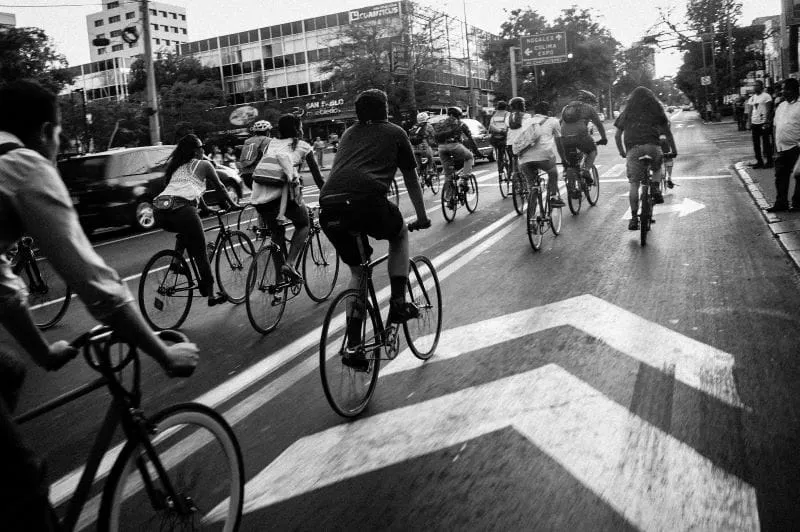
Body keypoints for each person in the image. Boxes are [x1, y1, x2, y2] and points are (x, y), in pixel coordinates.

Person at [0, 79, 199, 532]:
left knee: (9, 371)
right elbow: (95, 283)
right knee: (21, 485)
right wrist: (161, 352)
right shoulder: (22, 166)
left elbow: (3, 290)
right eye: (59, 134)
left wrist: (42, 353)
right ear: (45, 131)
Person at [318, 89, 430, 369]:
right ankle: (399, 302)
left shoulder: (347, 134)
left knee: (358, 271)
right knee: (400, 232)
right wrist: (421, 215)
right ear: (385, 111)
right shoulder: (395, 132)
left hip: (329, 205)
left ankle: (354, 345)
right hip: (366, 200)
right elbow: (411, 178)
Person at [155, 134, 239, 306]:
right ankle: (210, 295)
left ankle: (177, 263)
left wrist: (206, 208)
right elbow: (221, 187)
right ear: (195, 150)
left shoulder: (176, 168)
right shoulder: (204, 164)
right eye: (201, 147)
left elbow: (189, 189)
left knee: (186, 233)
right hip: (183, 211)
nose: (203, 150)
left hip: (160, 212)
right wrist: (233, 205)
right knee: (201, 253)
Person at [251, 114, 325, 281]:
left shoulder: (271, 143)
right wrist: (327, 194)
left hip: (258, 195)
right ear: (298, 128)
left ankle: (279, 280)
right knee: (304, 224)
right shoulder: (304, 146)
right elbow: (319, 178)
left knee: (277, 233)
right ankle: (290, 263)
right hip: (279, 195)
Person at [614, 86, 678, 230]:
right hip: (652, 146)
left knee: (634, 184)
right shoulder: (656, 110)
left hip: (633, 149)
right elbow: (667, 133)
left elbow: (617, 135)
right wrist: (674, 150)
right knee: (656, 168)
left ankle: (633, 219)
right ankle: (655, 188)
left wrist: (622, 152)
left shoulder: (627, 112)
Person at [512, 101, 565, 207]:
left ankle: (532, 204)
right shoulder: (553, 121)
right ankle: (553, 197)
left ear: (535, 112)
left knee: (531, 184)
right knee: (553, 172)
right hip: (544, 157)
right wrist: (564, 159)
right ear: (548, 112)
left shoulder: (527, 121)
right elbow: (559, 143)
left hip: (524, 158)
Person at [559, 90, 608, 185]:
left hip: (564, 138)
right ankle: (586, 170)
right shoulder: (588, 108)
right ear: (588, 101)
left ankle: (571, 188)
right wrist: (603, 138)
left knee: (571, 164)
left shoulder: (566, 108)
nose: (593, 105)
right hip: (581, 137)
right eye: (593, 103)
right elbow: (599, 125)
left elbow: (561, 123)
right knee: (592, 150)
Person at [767, 78, 800, 212]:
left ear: (794, 90)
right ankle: (781, 203)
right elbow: (775, 126)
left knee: (799, 176)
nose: (783, 92)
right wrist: (775, 148)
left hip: (796, 147)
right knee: (780, 177)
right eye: (782, 89)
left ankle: (797, 204)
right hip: (781, 148)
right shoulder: (781, 106)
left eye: (786, 89)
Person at [435, 106, 477, 207]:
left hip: (441, 148)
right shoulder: (460, 123)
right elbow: (470, 137)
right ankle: (464, 179)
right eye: (459, 115)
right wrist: (476, 150)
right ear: (457, 115)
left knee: (448, 175)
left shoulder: (440, 123)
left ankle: (449, 199)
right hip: (454, 146)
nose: (459, 117)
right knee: (469, 157)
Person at [745, 80, 774, 169]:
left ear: (761, 86)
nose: (755, 87)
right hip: (755, 123)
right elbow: (750, 111)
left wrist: (767, 121)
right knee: (756, 144)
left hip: (763, 123)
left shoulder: (766, 96)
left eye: (757, 85)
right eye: (754, 85)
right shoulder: (752, 98)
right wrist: (749, 122)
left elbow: (769, 110)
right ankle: (759, 161)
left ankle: (769, 162)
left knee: (766, 143)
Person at [237, 120, 272, 189]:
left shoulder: (247, 141)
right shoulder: (269, 140)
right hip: (260, 175)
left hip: (246, 175)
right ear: (267, 131)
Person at [408, 111, 436, 178]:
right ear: (426, 119)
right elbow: (433, 136)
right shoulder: (429, 126)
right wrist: (434, 143)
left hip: (414, 147)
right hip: (423, 147)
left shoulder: (414, 126)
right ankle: (430, 170)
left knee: (418, 164)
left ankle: (419, 175)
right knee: (430, 156)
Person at [488, 100, 510, 177]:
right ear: (506, 107)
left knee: (499, 154)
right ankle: (510, 170)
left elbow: (491, 126)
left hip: (495, 138)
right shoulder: (507, 114)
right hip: (505, 137)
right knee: (509, 153)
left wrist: (498, 131)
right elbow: (509, 125)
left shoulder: (494, 115)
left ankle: (500, 170)